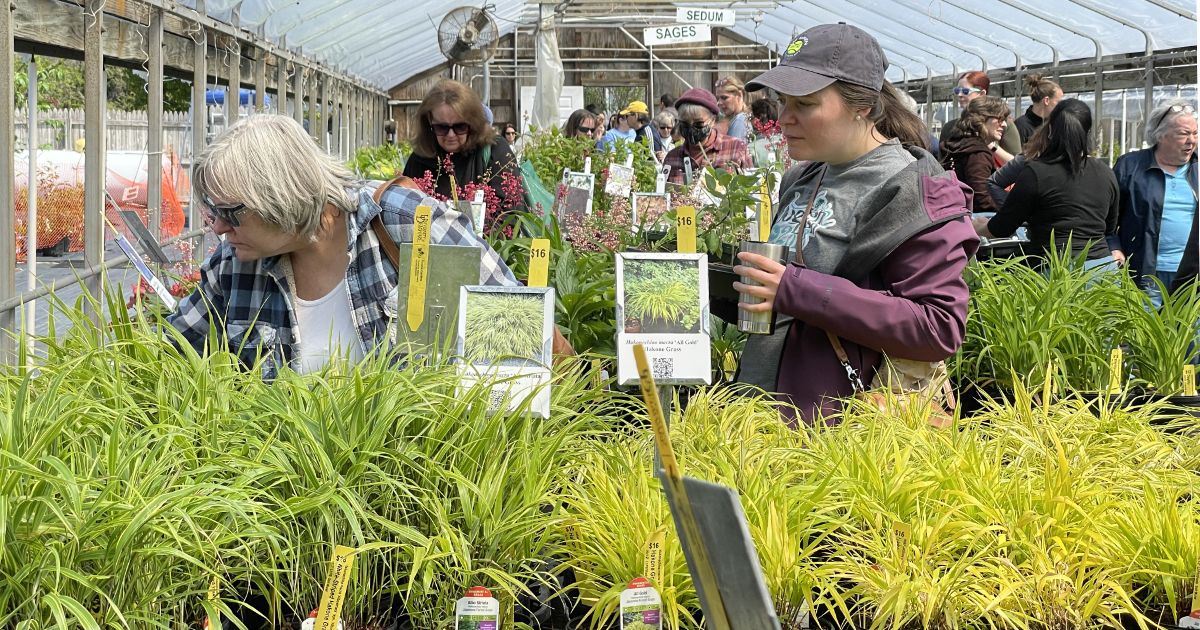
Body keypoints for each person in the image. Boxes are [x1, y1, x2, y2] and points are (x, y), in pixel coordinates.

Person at [732, 23, 977, 425]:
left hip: (837, 431)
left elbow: (938, 327)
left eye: (804, 104)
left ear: (862, 106)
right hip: (760, 417)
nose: (784, 119)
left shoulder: (911, 188)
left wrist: (795, 289)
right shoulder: (802, 178)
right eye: (782, 102)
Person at [167, 114, 519, 378]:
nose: (219, 226)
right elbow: (166, 355)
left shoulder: (406, 222)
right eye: (213, 211)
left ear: (280, 197)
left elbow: (516, 331)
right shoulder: (235, 263)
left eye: (231, 212)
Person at [974, 99, 1119, 268]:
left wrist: (975, 227)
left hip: (1055, 272)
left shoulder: (1035, 173)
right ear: (1088, 132)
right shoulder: (1106, 172)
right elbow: (1110, 228)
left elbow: (1001, 228)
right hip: (1103, 271)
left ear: (1050, 129)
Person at [1111, 99, 1199, 306]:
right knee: (1142, 326)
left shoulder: (1197, 169)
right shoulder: (1130, 166)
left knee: (1188, 328)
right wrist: (1114, 247)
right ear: (1160, 135)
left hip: (1191, 277)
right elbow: (1107, 217)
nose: (1192, 141)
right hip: (1144, 275)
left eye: (1195, 133)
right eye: (1183, 134)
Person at [401, 79, 524, 223]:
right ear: (429, 120)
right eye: (441, 127)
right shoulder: (420, 158)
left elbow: (512, 215)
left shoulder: (494, 150)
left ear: (472, 122)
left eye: (459, 127)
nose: (450, 135)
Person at [663, 87, 752, 185]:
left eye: (698, 123)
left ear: (712, 120)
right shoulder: (672, 158)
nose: (691, 128)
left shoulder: (736, 148)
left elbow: (751, 187)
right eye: (685, 123)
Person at [940, 96, 1011, 214]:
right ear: (982, 118)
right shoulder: (977, 153)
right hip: (974, 217)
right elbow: (981, 200)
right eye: (1000, 119)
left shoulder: (956, 144)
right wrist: (1011, 209)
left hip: (954, 213)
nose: (1004, 125)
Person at [939, 71, 1020, 161]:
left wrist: (991, 146)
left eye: (965, 91)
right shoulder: (950, 127)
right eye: (957, 91)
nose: (960, 95)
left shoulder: (1003, 124)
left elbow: (1017, 163)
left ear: (981, 94)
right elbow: (942, 162)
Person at [1014, 74, 1063, 145]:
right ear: (1046, 101)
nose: (1061, 106)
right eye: (1058, 102)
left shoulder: (1054, 125)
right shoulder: (1021, 126)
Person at [714, 76, 751, 141]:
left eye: (724, 98)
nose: (719, 102)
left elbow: (734, 147)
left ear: (739, 95)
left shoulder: (739, 121)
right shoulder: (738, 119)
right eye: (718, 98)